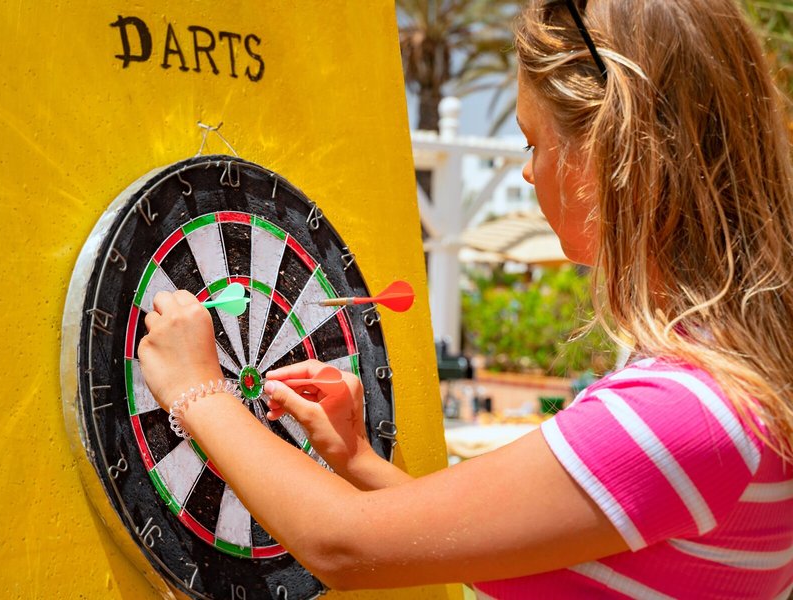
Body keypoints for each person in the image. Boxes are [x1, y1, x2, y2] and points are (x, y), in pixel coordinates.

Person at [137, 0, 793, 597]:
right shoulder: (733, 396)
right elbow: (501, 556)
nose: (527, 171)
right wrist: (357, 459)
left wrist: (200, 391)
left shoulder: (682, 413)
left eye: (534, 142)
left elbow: (342, 545)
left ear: (608, 147)